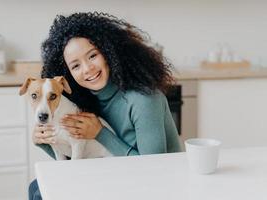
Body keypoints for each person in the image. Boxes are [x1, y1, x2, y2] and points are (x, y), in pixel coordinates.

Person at [29, 12, 181, 200]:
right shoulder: (83, 98)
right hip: (115, 176)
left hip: (157, 186)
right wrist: (44, 141)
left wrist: (100, 133)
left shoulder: (144, 99)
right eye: (75, 66)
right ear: (67, 73)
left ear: (109, 51)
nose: (87, 69)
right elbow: (81, 158)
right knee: (37, 188)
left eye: (92, 55)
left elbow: (153, 169)